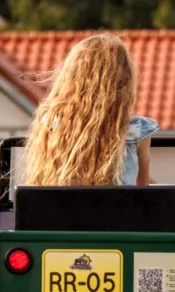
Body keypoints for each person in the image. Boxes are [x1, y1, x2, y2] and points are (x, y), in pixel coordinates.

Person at [23, 33, 158, 187]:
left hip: (64, 210)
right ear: (124, 81)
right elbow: (143, 190)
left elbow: (39, 184)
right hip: (120, 210)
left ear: (72, 80)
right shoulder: (136, 131)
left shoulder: (51, 123)